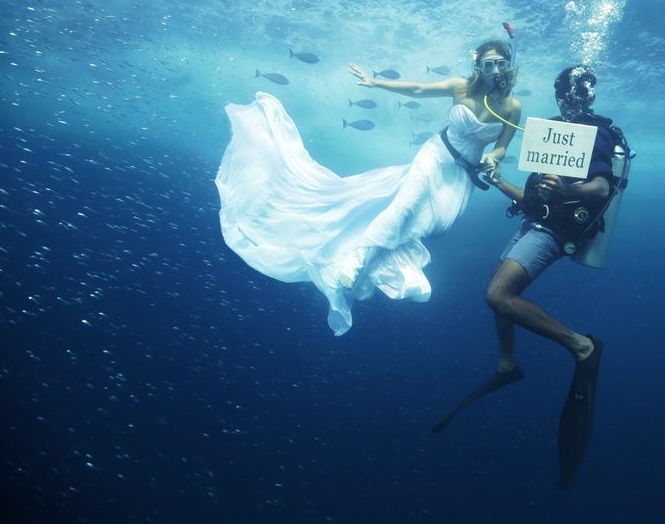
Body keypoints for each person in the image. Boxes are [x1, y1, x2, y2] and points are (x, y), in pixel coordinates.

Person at [215, 39, 522, 336]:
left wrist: (493, 158)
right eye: (488, 63)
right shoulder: (461, 87)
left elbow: (501, 146)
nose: (495, 69)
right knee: (405, 206)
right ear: (478, 66)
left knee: (431, 225)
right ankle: (356, 259)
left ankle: (382, 264)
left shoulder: (510, 106)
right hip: (434, 156)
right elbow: (418, 89)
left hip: (461, 176)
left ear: (508, 65)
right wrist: (376, 83)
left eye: (501, 63)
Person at [433, 65, 621, 490]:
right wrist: (500, 182)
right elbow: (535, 199)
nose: (572, 98)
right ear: (559, 94)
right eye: (566, 91)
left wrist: (567, 191)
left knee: (499, 295)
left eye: (579, 91)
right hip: (535, 223)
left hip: (557, 232)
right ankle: (508, 364)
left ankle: (582, 346)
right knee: (500, 290)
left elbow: (599, 189)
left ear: (588, 95)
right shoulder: (552, 132)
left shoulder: (597, 134)